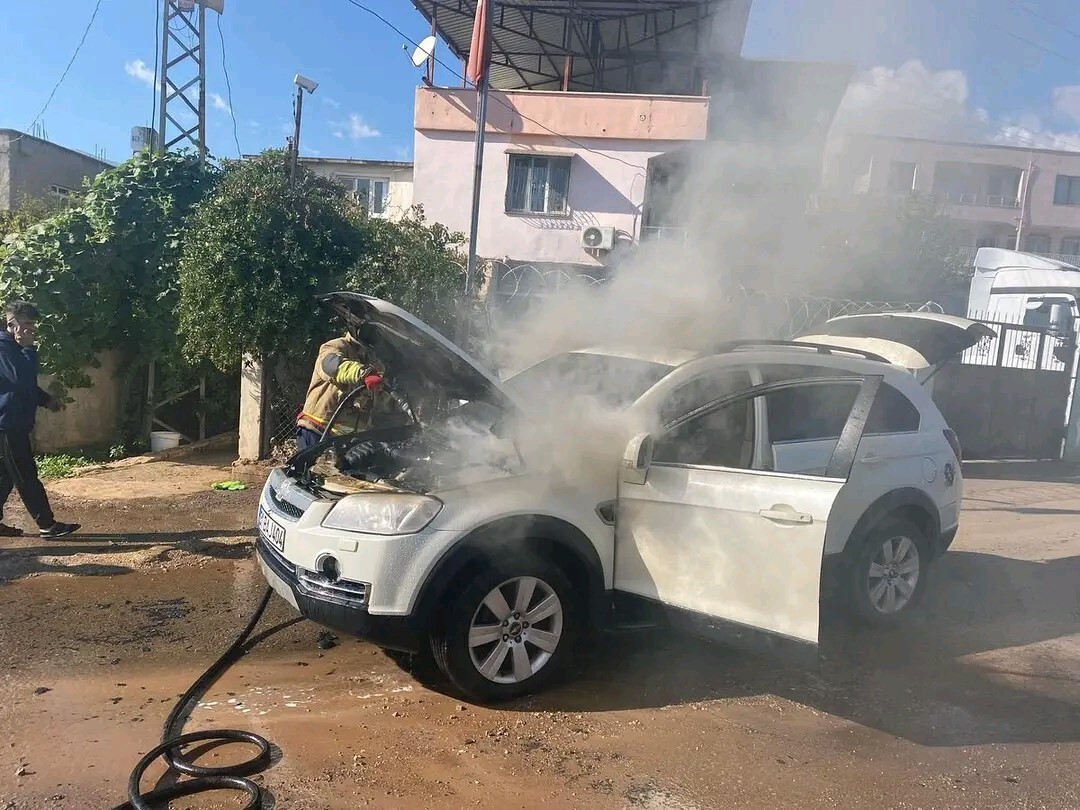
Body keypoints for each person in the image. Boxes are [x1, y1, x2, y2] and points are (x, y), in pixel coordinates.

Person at [0, 301, 80, 539]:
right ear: (11, 324)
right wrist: (28, 348)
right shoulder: (4, 347)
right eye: (26, 324)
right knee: (26, 475)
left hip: (11, 421)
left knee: (5, 475)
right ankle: (47, 525)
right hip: (8, 423)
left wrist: (46, 400)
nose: (31, 330)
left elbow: (22, 387)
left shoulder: (10, 345)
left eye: (33, 325)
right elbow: (21, 379)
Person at [295, 330, 393, 451]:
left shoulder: (375, 362)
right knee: (307, 469)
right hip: (318, 429)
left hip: (348, 440)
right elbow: (332, 366)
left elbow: (382, 397)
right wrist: (363, 374)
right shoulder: (335, 346)